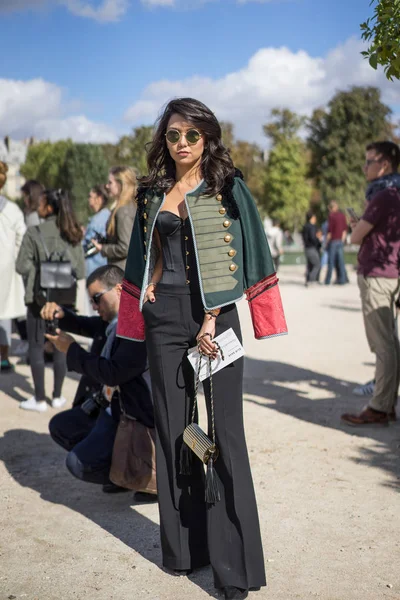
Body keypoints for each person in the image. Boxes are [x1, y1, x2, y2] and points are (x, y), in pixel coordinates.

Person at [117, 98, 288, 599]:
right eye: (173, 135)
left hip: (215, 320)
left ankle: (233, 569)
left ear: (207, 137)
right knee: (175, 430)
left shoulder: (227, 188)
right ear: (163, 140)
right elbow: (140, 254)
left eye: (192, 134)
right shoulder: (151, 194)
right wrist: (146, 290)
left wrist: (215, 317)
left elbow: (252, 247)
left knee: (224, 437)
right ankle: (184, 548)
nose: (183, 143)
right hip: (163, 318)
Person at [43, 265, 154, 496]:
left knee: (78, 463)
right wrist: (63, 316)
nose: (94, 306)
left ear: (120, 290)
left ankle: (141, 478)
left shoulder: (139, 324)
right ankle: (122, 471)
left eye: (96, 299)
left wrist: (71, 350)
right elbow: (90, 325)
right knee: (61, 427)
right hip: (109, 407)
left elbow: (113, 372)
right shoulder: (116, 321)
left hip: (132, 416)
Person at [341, 141, 400, 427]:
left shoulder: (384, 195)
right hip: (390, 273)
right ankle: (385, 403)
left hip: (377, 274)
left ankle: (379, 406)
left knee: (383, 345)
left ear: (384, 164)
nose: (365, 167)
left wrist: (357, 226)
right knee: (390, 342)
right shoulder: (395, 192)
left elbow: (355, 237)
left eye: (369, 161)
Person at [16, 189, 85, 412]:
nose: (38, 205)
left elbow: (21, 266)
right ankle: (56, 396)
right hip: (63, 299)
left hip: (38, 299)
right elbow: (80, 270)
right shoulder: (72, 233)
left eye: (42, 201)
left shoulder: (34, 233)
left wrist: (40, 268)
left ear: (49, 207)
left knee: (36, 345)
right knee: (60, 344)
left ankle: (38, 399)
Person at [0, 161, 27, 371]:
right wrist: (14, 258)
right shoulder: (12, 209)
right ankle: (3, 357)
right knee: (4, 313)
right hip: (6, 266)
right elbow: (22, 236)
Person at [91, 167, 137, 271]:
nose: (107, 186)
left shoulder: (123, 211)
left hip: (122, 272)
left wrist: (102, 248)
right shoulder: (127, 207)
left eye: (110, 183)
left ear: (121, 184)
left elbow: (125, 247)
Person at [82, 185, 110, 277]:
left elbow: (88, 246)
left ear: (99, 199)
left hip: (95, 268)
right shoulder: (108, 215)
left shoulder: (97, 220)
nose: (88, 199)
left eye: (90, 196)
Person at [324, 200, 349, 285]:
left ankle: (327, 280)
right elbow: (345, 230)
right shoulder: (342, 216)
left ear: (331, 208)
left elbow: (329, 231)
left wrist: (326, 242)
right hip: (340, 241)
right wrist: (342, 240)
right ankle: (342, 280)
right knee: (341, 261)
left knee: (331, 261)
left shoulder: (331, 216)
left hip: (333, 241)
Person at [302, 210, 322, 286]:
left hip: (307, 248)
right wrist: (319, 242)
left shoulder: (305, 226)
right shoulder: (312, 227)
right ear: (312, 218)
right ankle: (311, 279)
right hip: (312, 248)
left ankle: (308, 279)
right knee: (317, 264)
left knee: (310, 265)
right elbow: (313, 238)